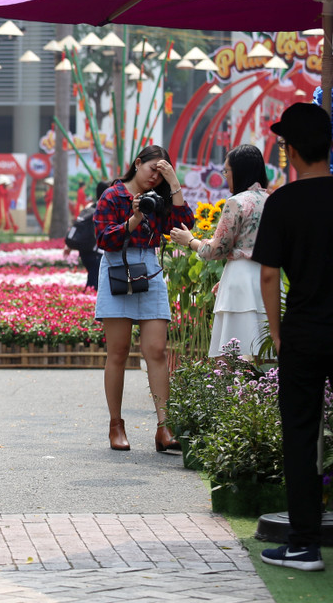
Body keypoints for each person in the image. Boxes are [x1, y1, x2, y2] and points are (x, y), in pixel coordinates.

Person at [252, 102, 333, 572]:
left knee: (301, 436)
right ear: (330, 144)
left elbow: (269, 276)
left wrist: (279, 333)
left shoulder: (282, 202)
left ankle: (304, 544)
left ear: (290, 150)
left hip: (303, 335)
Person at [94, 145, 193, 452]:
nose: (155, 177)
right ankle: (116, 425)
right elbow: (104, 239)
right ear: (137, 163)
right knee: (119, 352)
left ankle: (164, 428)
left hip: (148, 269)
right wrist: (135, 217)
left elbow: (183, 225)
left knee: (157, 351)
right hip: (117, 268)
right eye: (152, 169)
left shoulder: (161, 198)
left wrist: (173, 184)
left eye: (161, 173)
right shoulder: (112, 196)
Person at [169, 145, 270, 358]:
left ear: (239, 171)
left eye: (227, 171)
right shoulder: (272, 200)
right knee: (265, 357)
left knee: (234, 358)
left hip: (240, 283)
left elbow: (216, 249)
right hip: (268, 280)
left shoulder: (237, 202)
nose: (225, 176)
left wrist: (191, 241)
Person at [64, 182, 107, 292]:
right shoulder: (106, 209)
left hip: (84, 250)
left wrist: (68, 247)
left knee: (92, 282)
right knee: (94, 285)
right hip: (96, 252)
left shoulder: (90, 207)